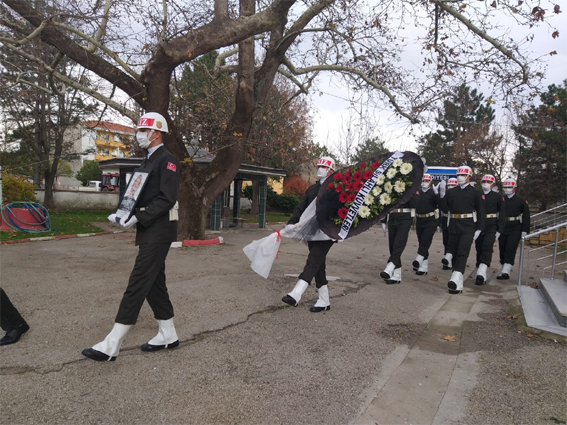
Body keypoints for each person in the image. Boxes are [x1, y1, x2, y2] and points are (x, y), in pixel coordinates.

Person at [82, 112, 180, 362]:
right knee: (154, 284)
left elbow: (167, 199)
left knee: (138, 282)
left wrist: (139, 215)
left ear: (155, 133)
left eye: (141, 131)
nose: (138, 135)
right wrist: (122, 213)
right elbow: (135, 194)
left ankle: (113, 343)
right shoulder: (146, 161)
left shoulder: (167, 160)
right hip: (149, 229)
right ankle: (168, 334)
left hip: (159, 230)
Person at [282, 156, 336, 312]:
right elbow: (301, 206)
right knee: (318, 265)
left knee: (313, 261)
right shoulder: (312, 189)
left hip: (327, 232)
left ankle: (296, 293)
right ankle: (324, 300)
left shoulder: (336, 188)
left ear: (331, 170)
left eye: (324, 167)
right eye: (319, 166)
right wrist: (291, 222)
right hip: (311, 231)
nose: (320, 169)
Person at [438, 165, 485, 294]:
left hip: (468, 225)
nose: (460, 177)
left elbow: (481, 210)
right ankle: (457, 284)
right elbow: (443, 208)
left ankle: (455, 276)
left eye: (463, 175)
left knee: (462, 251)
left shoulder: (476, 192)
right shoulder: (452, 192)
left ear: (469, 176)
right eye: (459, 174)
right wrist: (441, 195)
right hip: (453, 224)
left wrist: (479, 228)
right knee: (453, 251)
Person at [380, 191, 419, 284]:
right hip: (393, 216)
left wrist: (411, 190)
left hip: (405, 217)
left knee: (399, 243)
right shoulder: (392, 183)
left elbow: (414, 204)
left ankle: (390, 265)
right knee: (392, 245)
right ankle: (397, 274)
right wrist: (383, 220)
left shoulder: (411, 185)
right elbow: (386, 202)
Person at [474, 174, 506, 285]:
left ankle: (482, 272)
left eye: (488, 182)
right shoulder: (477, 194)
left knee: (487, 247)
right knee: (479, 247)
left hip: (491, 225)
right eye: (484, 181)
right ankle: (480, 267)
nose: (485, 183)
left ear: (492, 184)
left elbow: (502, 213)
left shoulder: (497, 197)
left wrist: (499, 229)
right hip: (478, 224)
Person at [497, 178, 530, 280]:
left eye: (509, 187)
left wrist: (524, 229)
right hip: (503, 226)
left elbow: (526, 215)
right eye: (505, 187)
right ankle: (503, 268)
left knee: (510, 249)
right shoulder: (502, 199)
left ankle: (506, 270)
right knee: (502, 248)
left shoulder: (521, 200)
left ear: (514, 188)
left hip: (515, 227)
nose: (507, 189)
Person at [412, 174, 439, 275]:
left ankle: (418, 259)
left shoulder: (433, 193)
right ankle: (424, 266)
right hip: (420, 220)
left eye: (427, 180)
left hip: (430, 220)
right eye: (423, 180)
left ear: (430, 182)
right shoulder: (418, 192)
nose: (425, 182)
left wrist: (437, 194)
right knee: (422, 242)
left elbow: (440, 204)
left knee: (425, 241)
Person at [440, 177, 458, 270]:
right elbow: (443, 207)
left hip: (454, 219)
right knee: (446, 240)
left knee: (453, 240)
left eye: (453, 185)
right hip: (446, 217)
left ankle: (451, 259)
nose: (451, 187)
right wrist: (442, 195)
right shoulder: (447, 194)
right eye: (449, 185)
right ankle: (447, 260)